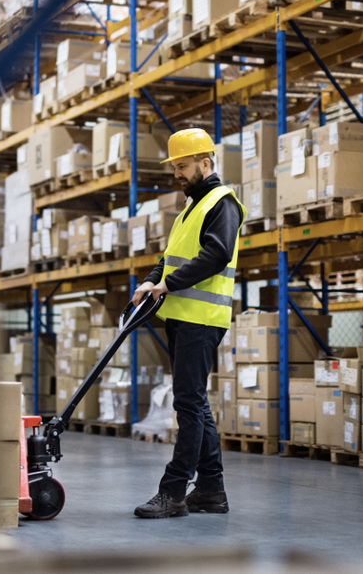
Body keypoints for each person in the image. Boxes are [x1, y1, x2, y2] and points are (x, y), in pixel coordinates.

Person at [131, 128, 245, 519]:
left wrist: (169, 283)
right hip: (180, 316)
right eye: (175, 166)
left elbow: (216, 254)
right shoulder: (189, 209)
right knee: (196, 404)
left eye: (183, 165)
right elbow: (171, 257)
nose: (177, 173)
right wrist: (151, 278)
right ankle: (212, 490)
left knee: (188, 405)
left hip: (201, 319)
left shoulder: (221, 203)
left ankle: (174, 492)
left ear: (205, 163)